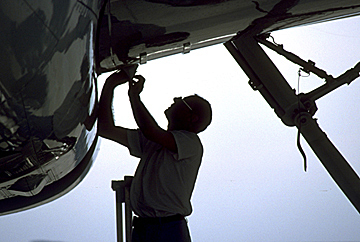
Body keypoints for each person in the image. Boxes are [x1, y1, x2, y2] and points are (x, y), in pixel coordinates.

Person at [98, 66, 212, 242]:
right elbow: (106, 129)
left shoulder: (191, 142)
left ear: (192, 118)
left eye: (183, 101)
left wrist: (134, 96)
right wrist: (110, 85)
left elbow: (151, 130)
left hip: (168, 229)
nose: (176, 99)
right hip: (145, 228)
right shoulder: (154, 143)